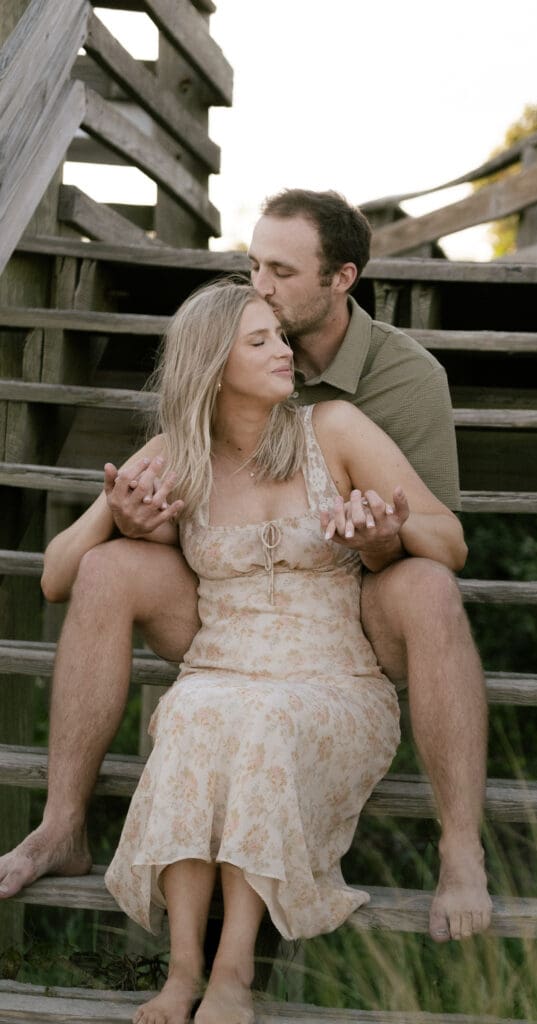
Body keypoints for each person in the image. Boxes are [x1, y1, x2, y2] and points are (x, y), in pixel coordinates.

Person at [0, 189, 491, 943]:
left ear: (341, 279)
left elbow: (443, 540)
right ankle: (63, 824)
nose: (259, 285)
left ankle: (460, 847)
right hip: (228, 603)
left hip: (351, 607)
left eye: (281, 273)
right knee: (108, 567)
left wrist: (385, 535)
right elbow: (61, 571)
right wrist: (123, 522)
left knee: (426, 584)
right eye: (252, 265)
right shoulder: (191, 429)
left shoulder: (395, 386)